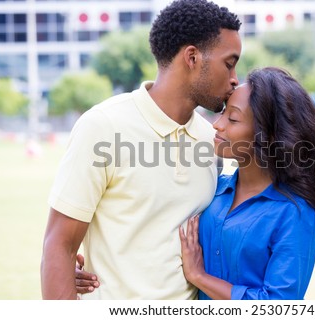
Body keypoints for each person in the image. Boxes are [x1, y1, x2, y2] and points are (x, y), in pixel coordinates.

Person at [76, 67, 315, 300]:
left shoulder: (296, 212)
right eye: (222, 113)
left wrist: (201, 278)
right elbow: (154, 228)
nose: (217, 125)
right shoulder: (214, 189)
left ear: (268, 135)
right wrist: (92, 266)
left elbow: (278, 306)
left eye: (232, 119)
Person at [41, 0, 242, 300]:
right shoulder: (103, 126)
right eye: (229, 63)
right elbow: (59, 245)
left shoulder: (211, 140)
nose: (235, 78)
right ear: (192, 57)